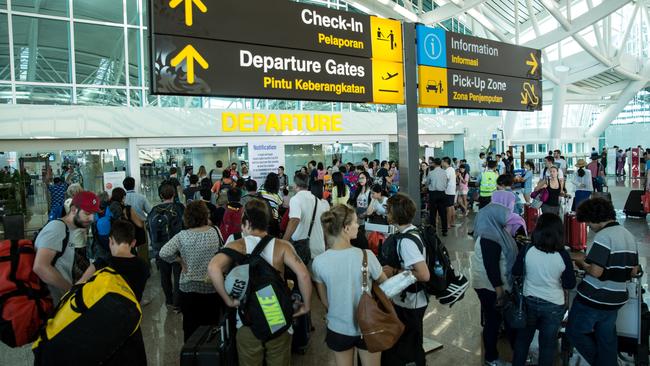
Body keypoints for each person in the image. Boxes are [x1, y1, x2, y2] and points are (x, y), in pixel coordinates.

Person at [208, 198, 312, 366]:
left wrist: (228, 300)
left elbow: (213, 268)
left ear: (246, 222)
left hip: (247, 318)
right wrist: (306, 306)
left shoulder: (236, 245)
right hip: (277, 316)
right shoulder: (283, 246)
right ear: (267, 221)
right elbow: (304, 276)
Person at [567, 198, 640, 366]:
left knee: (574, 332)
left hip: (594, 298)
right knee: (606, 338)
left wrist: (582, 263)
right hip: (616, 299)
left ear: (594, 218)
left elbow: (595, 271)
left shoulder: (603, 236)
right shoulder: (628, 235)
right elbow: (634, 270)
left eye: (588, 222)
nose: (588, 226)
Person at [313, 204, 387, 366]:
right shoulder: (366, 255)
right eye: (355, 222)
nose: (358, 225)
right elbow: (386, 285)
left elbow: (325, 301)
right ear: (346, 228)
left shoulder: (318, 262)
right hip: (368, 325)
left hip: (337, 327)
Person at [78, 220, 149, 365]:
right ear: (133, 242)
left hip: (104, 327)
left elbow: (78, 287)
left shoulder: (100, 264)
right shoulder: (143, 266)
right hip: (132, 324)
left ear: (110, 241)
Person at [511, 214, 576, 366]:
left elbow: (516, 271)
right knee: (547, 346)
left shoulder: (527, 250)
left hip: (528, 302)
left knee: (522, 342)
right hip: (553, 305)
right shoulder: (563, 255)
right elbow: (570, 284)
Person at [159, 201, 225, 341]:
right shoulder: (215, 231)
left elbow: (163, 253)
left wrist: (179, 260)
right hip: (211, 286)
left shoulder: (182, 236)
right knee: (211, 325)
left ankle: (191, 354)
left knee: (190, 326)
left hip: (188, 288)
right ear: (205, 215)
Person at [381, 193, 430, 366]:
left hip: (411, 302)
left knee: (409, 345)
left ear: (396, 214)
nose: (386, 214)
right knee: (412, 342)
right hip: (411, 300)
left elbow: (424, 274)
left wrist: (394, 270)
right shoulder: (411, 232)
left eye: (388, 211)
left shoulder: (406, 242)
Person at [471, 200, 518, 366]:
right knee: (493, 321)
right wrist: (499, 292)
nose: (507, 218)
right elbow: (491, 267)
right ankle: (491, 358)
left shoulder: (494, 231)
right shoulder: (490, 238)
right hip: (489, 286)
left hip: (491, 284)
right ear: (494, 217)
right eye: (503, 215)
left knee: (496, 320)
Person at [34, 191, 100, 305]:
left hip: (63, 303)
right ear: (74, 210)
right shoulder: (57, 228)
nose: (92, 218)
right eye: (87, 213)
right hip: (53, 304)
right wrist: (71, 291)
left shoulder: (71, 229)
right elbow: (40, 267)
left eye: (94, 214)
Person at [148, 183, 184, 312]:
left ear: (160, 195)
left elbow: (149, 229)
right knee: (178, 276)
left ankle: (168, 301)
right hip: (177, 248)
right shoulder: (179, 208)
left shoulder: (153, 211)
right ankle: (177, 304)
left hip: (160, 249)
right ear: (174, 194)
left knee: (164, 276)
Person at [283, 173, 330, 261]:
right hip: (319, 246)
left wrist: (284, 241)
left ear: (295, 185)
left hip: (303, 248)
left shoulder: (295, 199)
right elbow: (325, 224)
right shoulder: (317, 200)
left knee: (303, 274)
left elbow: (294, 220)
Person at [424, 158, 449, 236]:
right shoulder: (444, 172)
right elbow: (447, 182)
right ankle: (444, 230)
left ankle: (433, 230)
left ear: (434, 164)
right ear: (440, 163)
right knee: (443, 213)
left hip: (433, 194)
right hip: (442, 194)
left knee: (433, 213)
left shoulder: (431, 173)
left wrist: (427, 186)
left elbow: (427, 183)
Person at [442, 157, 458, 229]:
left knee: (448, 208)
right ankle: (452, 222)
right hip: (452, 190)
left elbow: (446, 179)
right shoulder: (452, 169)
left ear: (445, 162)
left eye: (442, 162)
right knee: (451, 207)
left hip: (448, 191)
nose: (441, 163)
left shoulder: (447, 170)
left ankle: (448, 224)